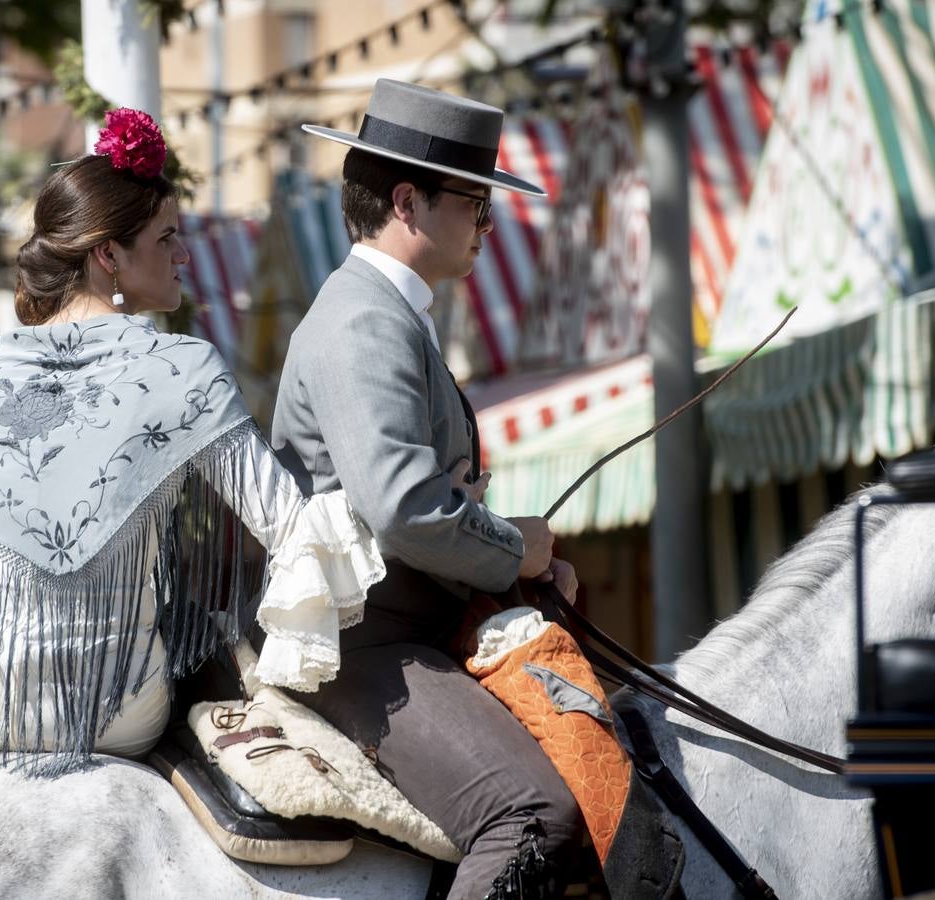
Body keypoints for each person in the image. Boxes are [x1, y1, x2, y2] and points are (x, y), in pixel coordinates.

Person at [0, 109, 385, 780]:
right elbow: (288, 526)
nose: (184, 256)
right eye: (167, 238)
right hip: (103, 706)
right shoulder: (184, 368)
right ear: (109, 255)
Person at [271, 79, 584, 900]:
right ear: (407, 201)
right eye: (475, 203)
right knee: (530, 814)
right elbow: (406, 509)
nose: (486, 225)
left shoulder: (388, 313)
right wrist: (519, 547)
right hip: (370, 642)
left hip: (406, 626)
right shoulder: (366, 320)